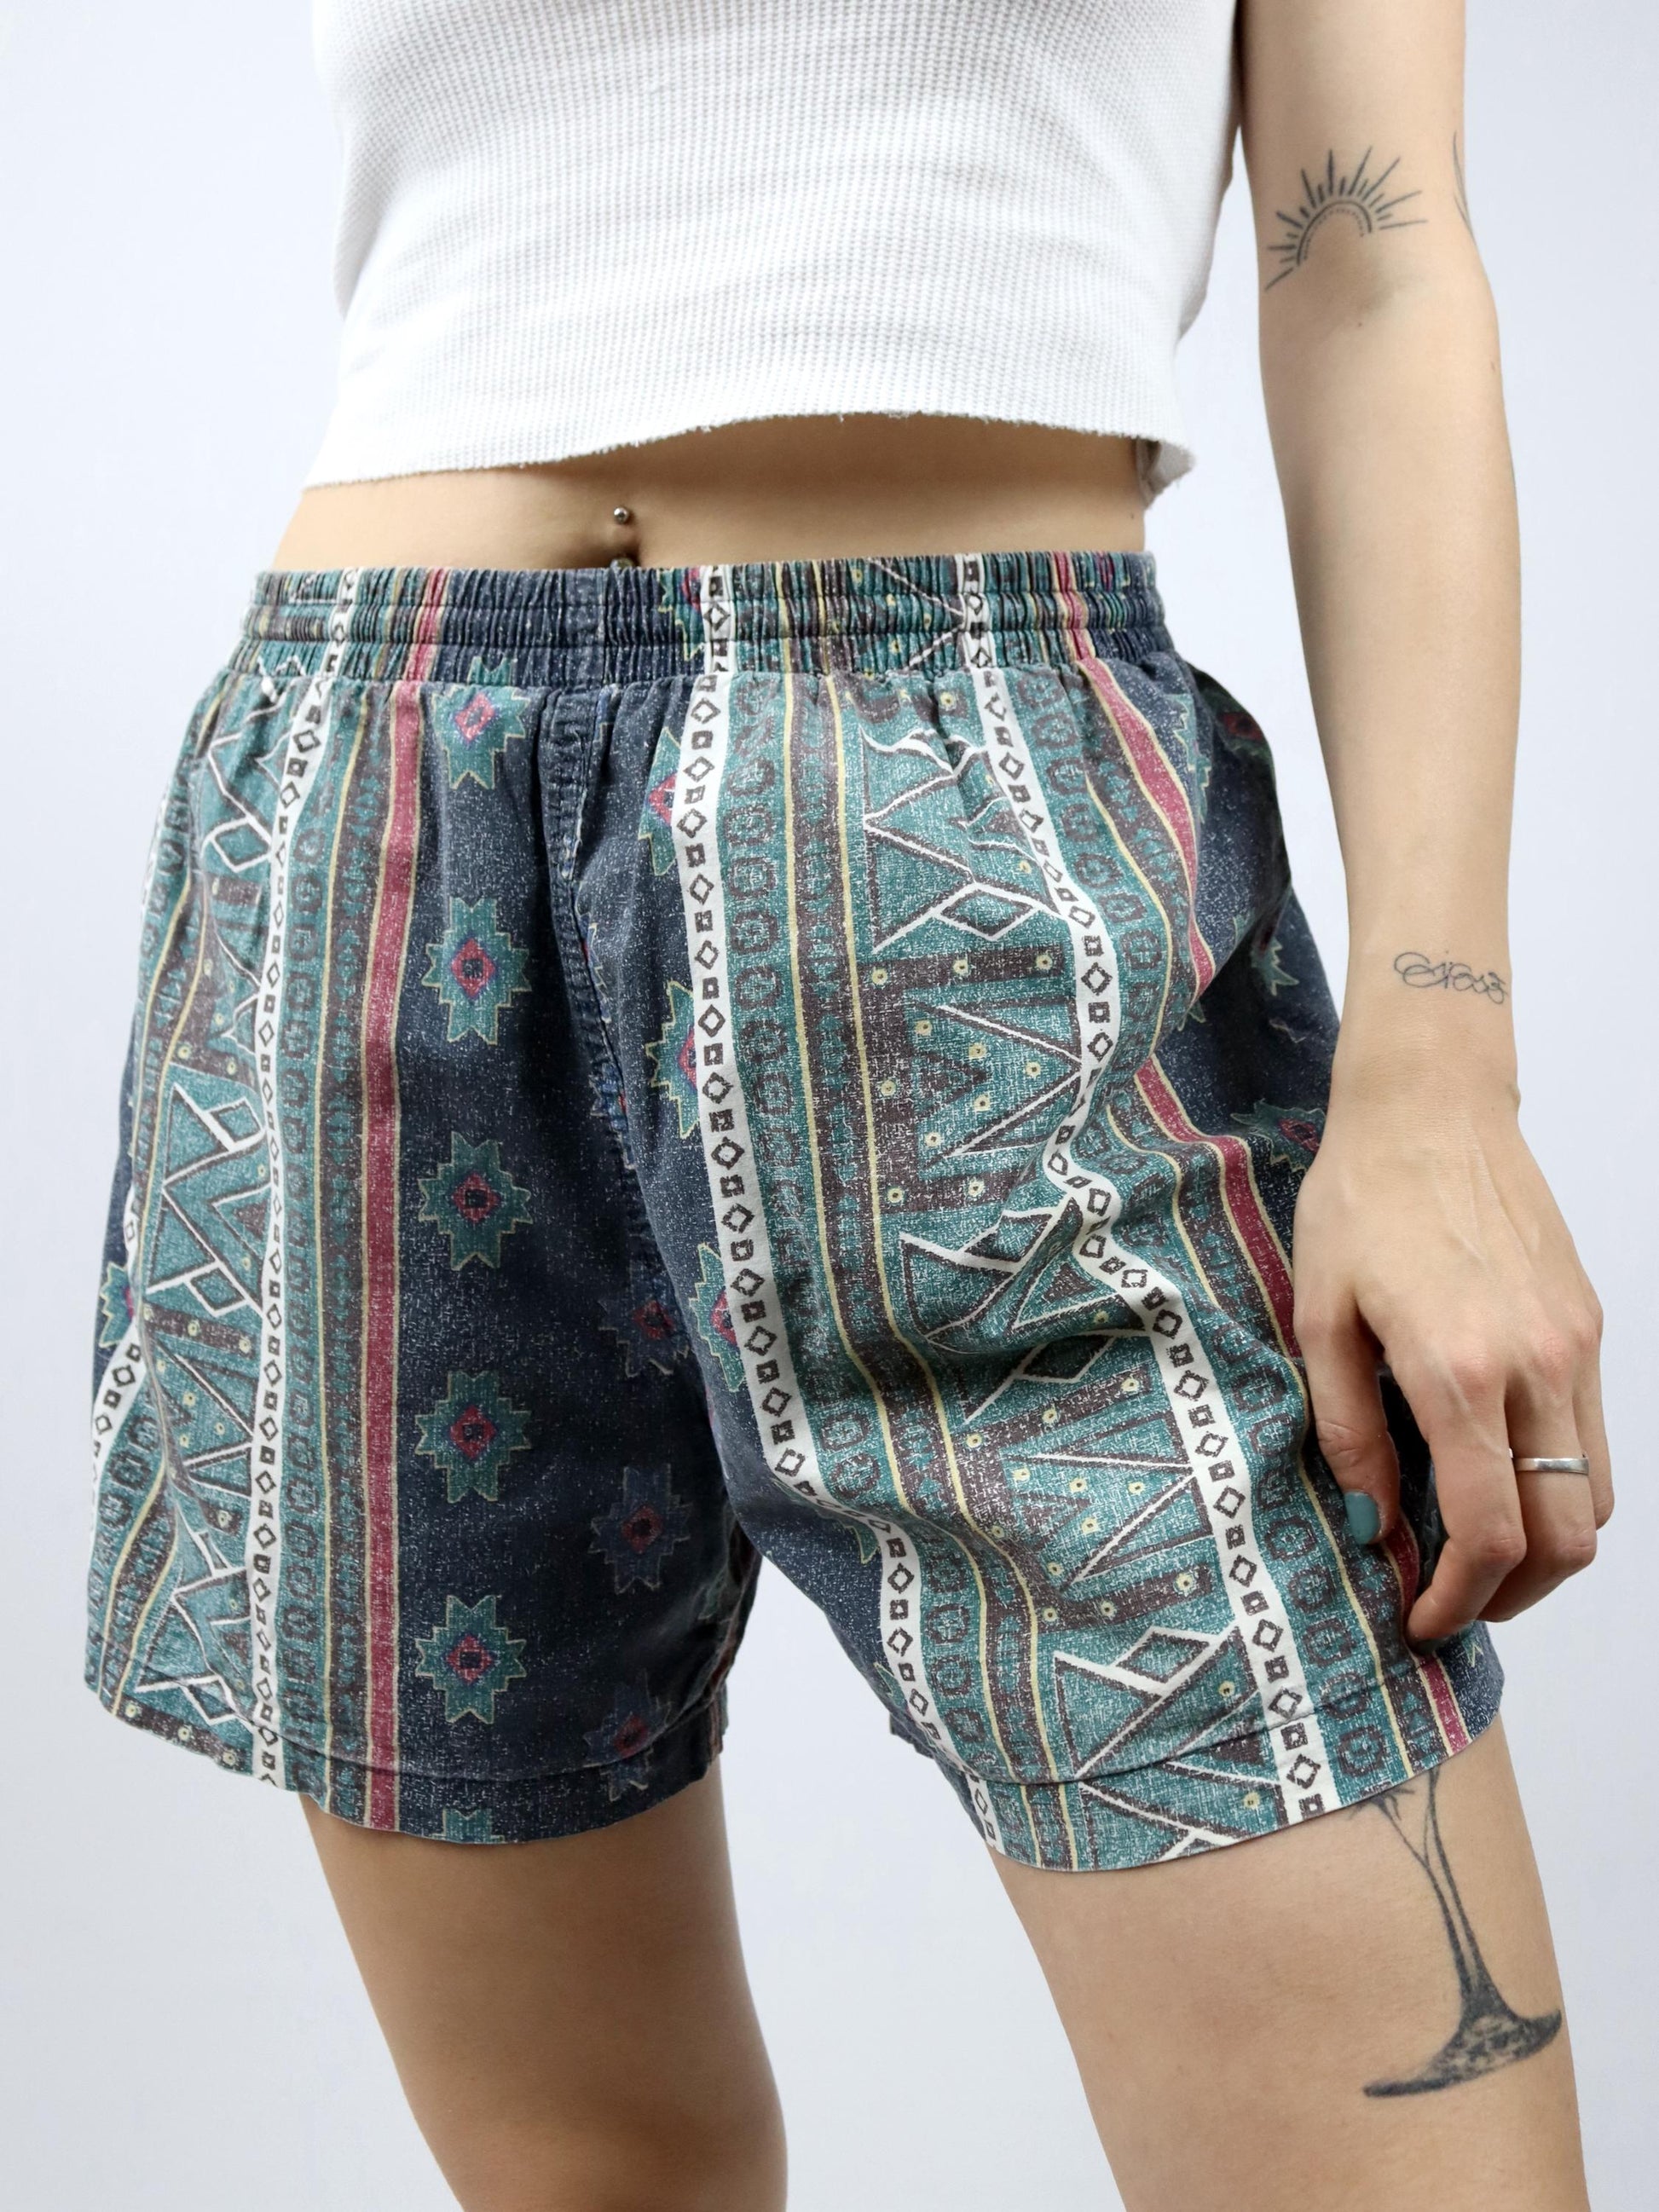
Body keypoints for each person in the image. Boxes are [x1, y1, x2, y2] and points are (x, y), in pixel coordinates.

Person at [84, 3, 1610, 2206]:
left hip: (969, 824)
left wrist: (1442, 1070)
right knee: (595, 2172)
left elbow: (1369, 264)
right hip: (372, 811)